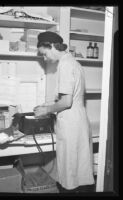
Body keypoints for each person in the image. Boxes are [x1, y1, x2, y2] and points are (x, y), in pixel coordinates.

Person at [33, 31, 95, 192]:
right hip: (78, 119)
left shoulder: (65, 65)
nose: (45, 59)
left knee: (69, 171)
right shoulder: (74, 62)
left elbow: (66, 102)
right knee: (78, 168)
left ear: (51, 46)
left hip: (71, 123)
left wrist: (46, 110)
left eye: (44, 54)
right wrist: (50, 104)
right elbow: (72, 97)